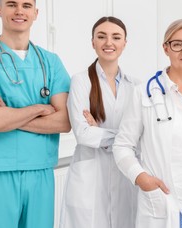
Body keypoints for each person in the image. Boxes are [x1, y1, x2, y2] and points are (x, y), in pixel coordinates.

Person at [113, 19, 182, 228]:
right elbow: (122, 146)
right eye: (177, 44)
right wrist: (140, 178)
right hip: (163, 204)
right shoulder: (143, 94)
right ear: (166, 48)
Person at [0, 0, 70, 228]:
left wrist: (11, 115)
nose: (20, 11)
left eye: (26, 5)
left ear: (35, 14)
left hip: (41, 171)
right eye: (12, 5)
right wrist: (39, 108)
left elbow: (65, 121)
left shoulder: (50, 62)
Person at [59, 16, 138, 228]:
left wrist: (101, 132)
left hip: (124, 175)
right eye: (101, 37)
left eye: (116, 37)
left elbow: (141, 135)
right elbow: (84, 134)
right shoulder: (80, 81)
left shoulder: (136, 86)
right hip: (90, 177)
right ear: (93, 42)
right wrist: (124, 137)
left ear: (124, 43)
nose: (108, 43)